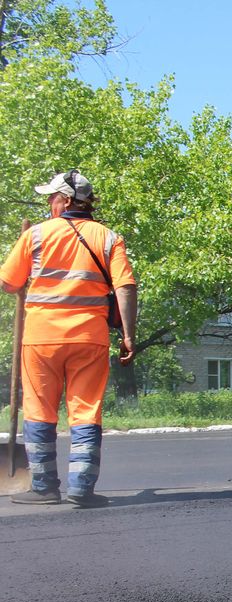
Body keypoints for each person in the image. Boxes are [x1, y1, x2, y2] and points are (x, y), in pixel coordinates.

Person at [0, 170, 137, 507]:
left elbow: (7, 283)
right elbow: (125, 286)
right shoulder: (108, 237)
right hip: (90, 338)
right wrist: (129, 335)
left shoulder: (35, 235)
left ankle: (45, 487)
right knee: (86, 411)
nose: (48, 202)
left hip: (41, 338)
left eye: (51, 197)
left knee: (39, 411)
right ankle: (81, 488)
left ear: (64, 200)